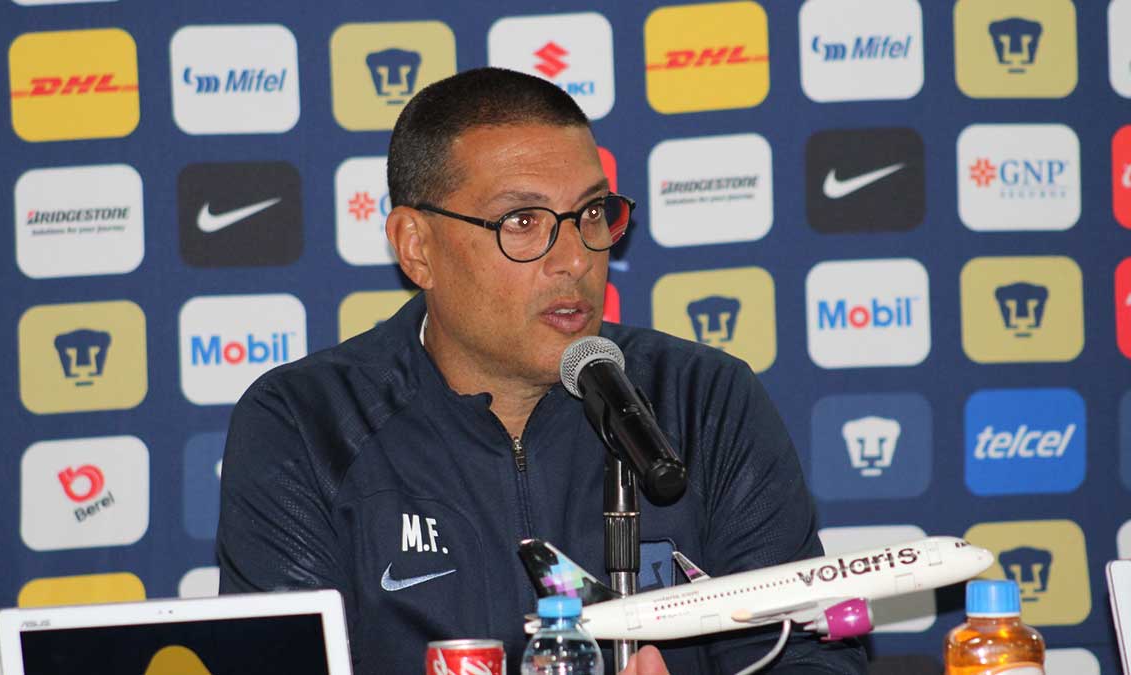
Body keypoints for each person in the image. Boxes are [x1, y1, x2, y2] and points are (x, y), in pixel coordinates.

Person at [217, 67, 868, 674]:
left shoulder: (704, 401)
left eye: (590, 214)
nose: (574, 260)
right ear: (417, 248)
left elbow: (813, 655)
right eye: (523, 222)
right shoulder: (305, 425)